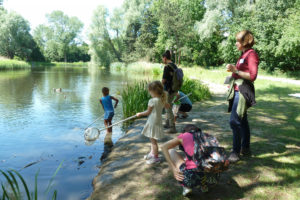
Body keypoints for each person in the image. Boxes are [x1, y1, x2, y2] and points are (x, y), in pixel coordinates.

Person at [226, 30, 259, 163]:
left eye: (238, 41)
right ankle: (245, 148)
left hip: (243, 91)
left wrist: (236, 71)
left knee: (234, 121)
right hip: (237, 89)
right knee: (242, 120)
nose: (236, 43)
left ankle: (235, 152)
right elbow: (240, 72)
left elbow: (252, 76)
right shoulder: (243, 54)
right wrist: (233, 74)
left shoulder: (251, 55)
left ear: (245, 42)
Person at [161, 124, 223, 196]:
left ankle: (187, 187)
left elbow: (163, 147)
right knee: (202, 164)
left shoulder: (184, 135)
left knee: (171, 151)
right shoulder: (208, 136)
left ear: (185, 131)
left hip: (191, 179)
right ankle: (204, 186)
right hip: (213, 178)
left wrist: (173, 169)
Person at [137, 81, 169, 164]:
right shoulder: (162, 99)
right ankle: (152, 153)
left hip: (152, 122)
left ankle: (155, 157)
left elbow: (147, 112)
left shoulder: (152, 100)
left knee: (153, 142)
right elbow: (167, 106)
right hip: (157, 121)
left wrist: (140, 114)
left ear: (153, 91)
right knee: (152, 140)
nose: (150, 93)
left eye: (150, 91)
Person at [162, 50, 178, 133]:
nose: (162, 60)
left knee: (168, 108)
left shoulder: (167, 67)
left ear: (165, 58)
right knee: (169, 106)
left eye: (162, 59)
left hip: (168, 90)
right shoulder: (174, 66)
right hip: (174, 89)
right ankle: (167, 123)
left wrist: (159, 87)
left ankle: (172, 127)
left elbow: (164, 80)